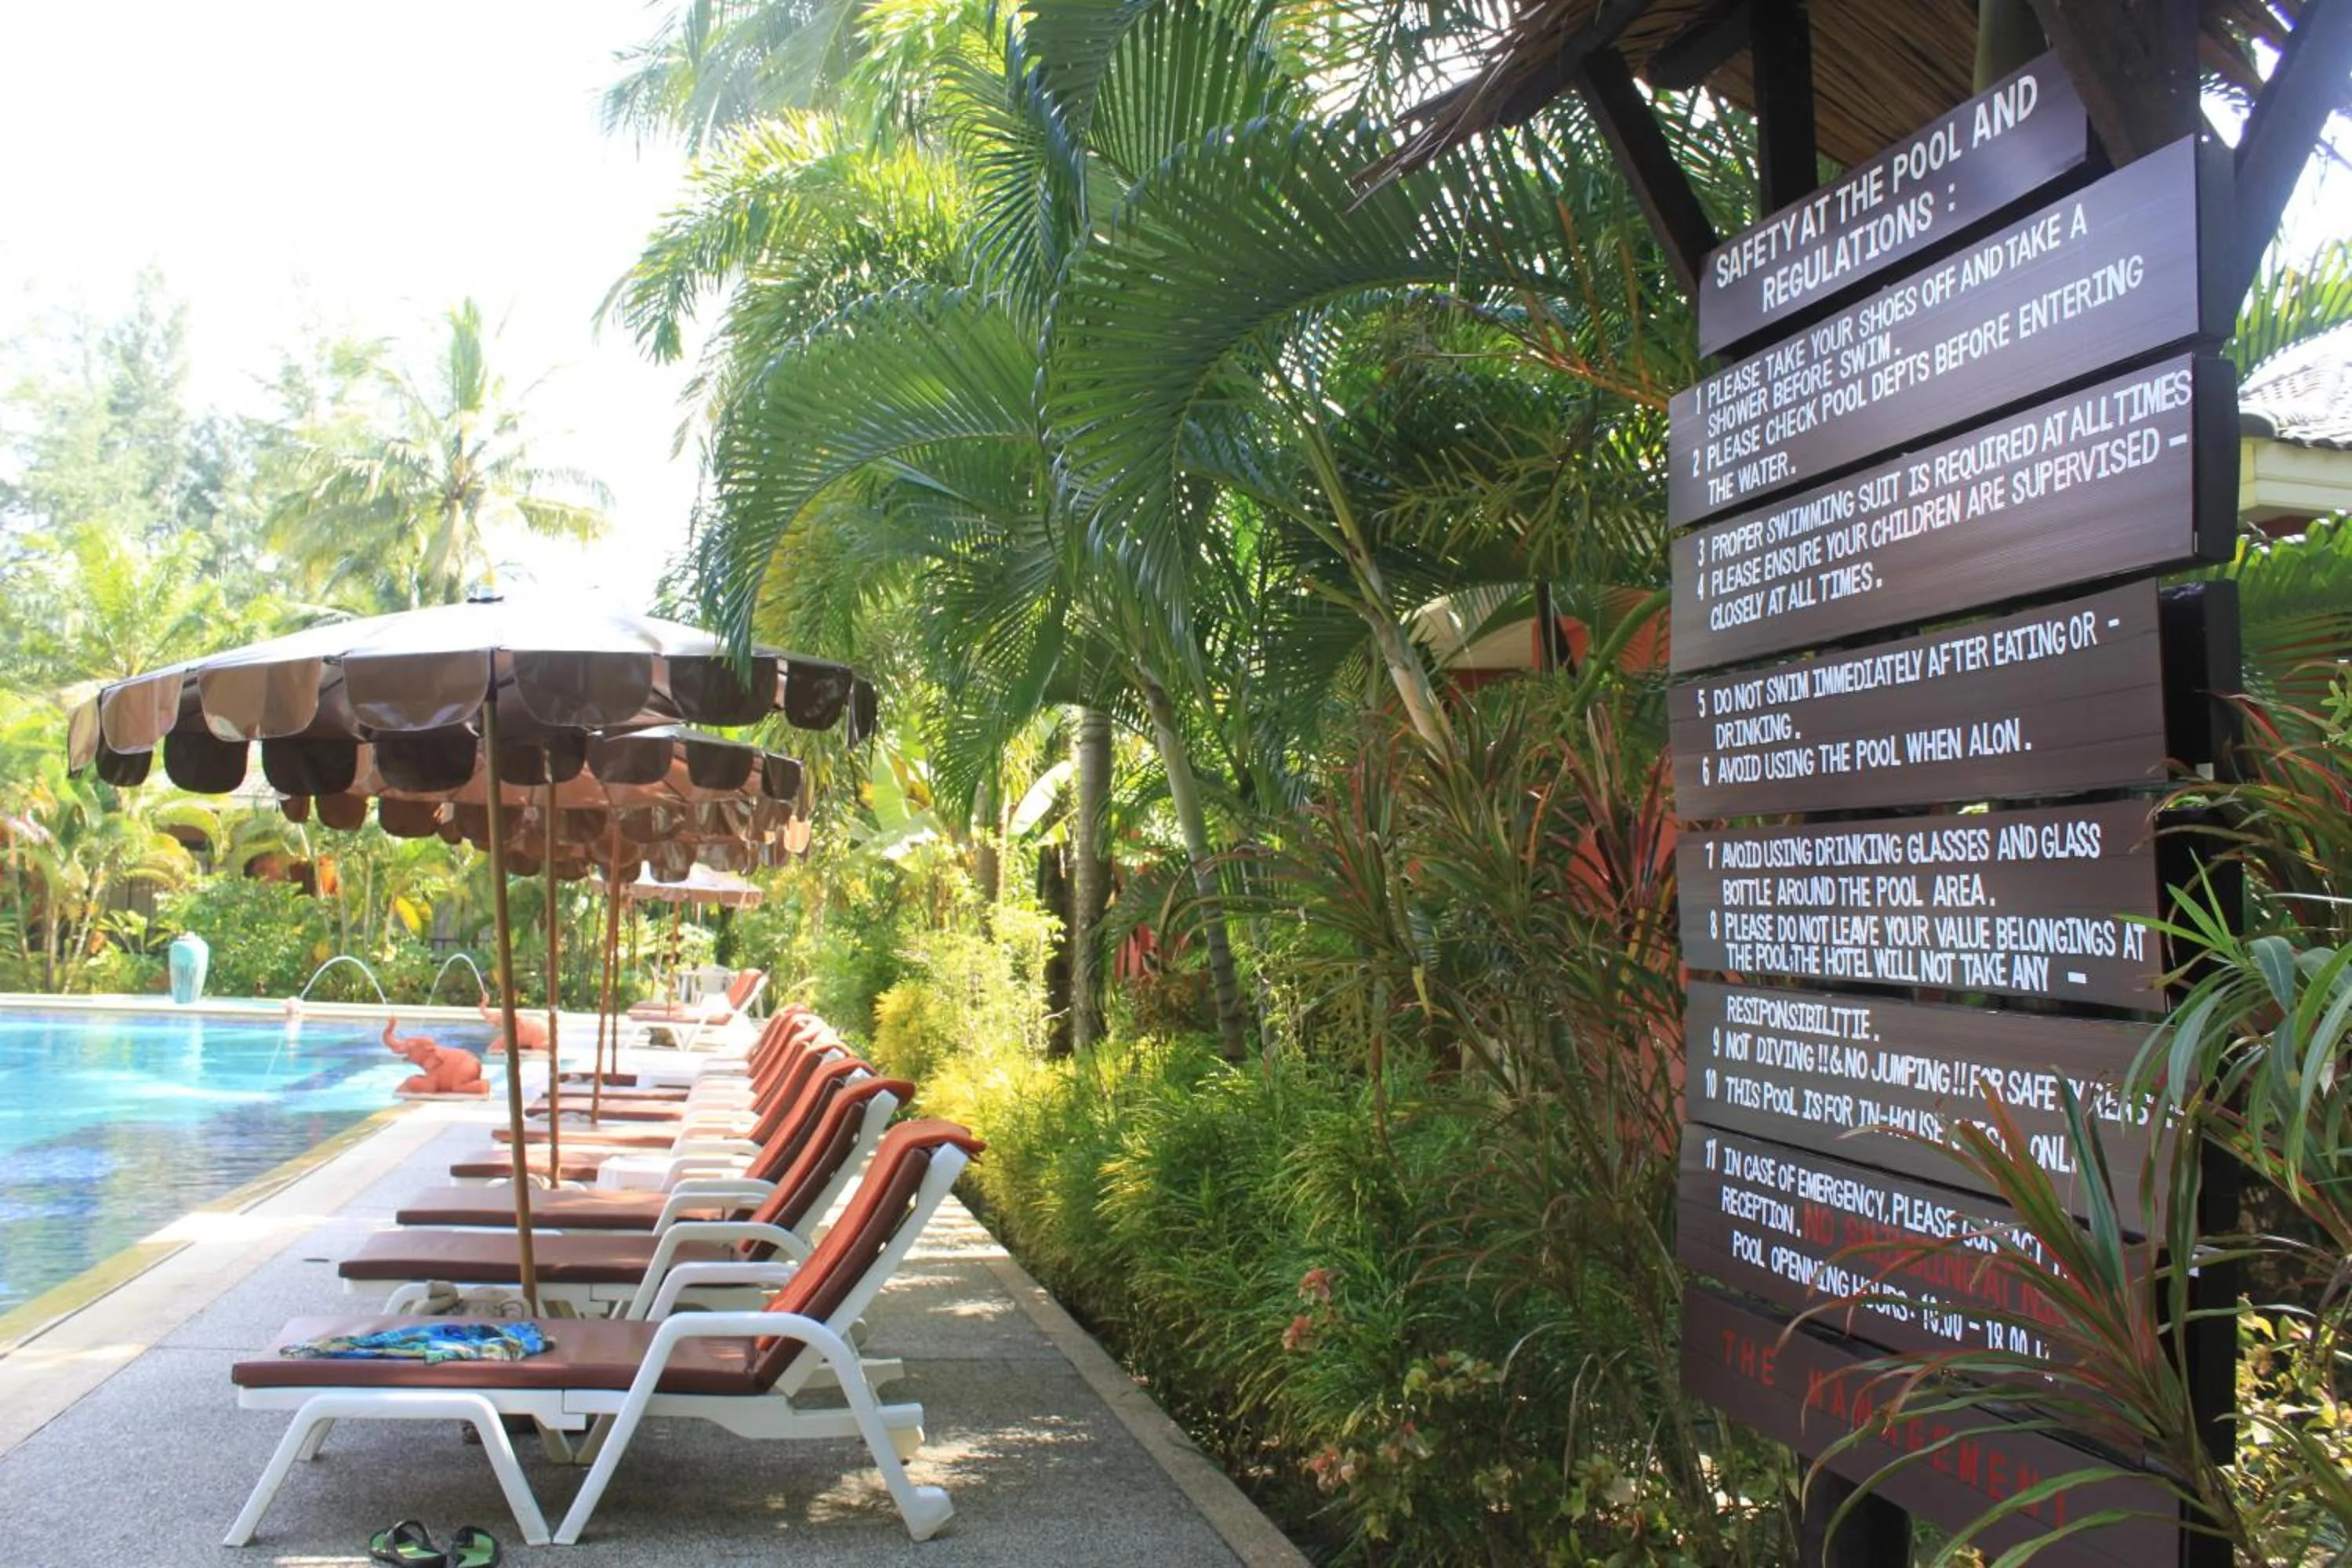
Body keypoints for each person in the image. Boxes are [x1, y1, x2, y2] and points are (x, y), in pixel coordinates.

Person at [382, 1016, 490, 1096]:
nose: (407, 1051)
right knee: (456, 1085)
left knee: (458, 1087)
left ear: (425, 1052)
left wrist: (410, 1082)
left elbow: (430, 1088)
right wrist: (389, 1030)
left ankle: (481, 1086)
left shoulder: (434, 1058)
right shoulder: (430, 1058)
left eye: (411, 1049)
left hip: (465, 1065)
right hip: (467, 1062)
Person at [477, 993, 549, 1055]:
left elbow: (512, 1046)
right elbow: (487, 1014)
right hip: (530, 1036)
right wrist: (484, 1003)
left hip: (539, 1040)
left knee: (537, 1052)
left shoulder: (518, 1028)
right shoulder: (508, 1017)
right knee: (492, 1049)